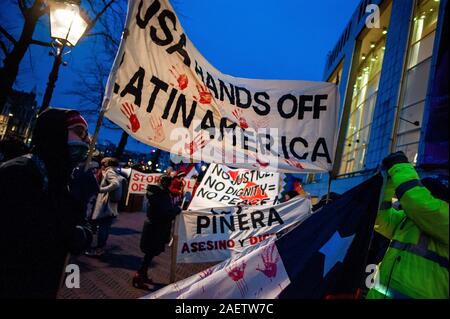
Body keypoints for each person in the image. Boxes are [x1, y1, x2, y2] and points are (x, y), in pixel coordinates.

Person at [0, 108, 93, 298]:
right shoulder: (19, 172)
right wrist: (69, 232)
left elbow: (82, 226)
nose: (87, 140)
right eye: (80, 131)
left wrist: (81, 233)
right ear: (55, 131)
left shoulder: (65, 178)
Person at [366, 151, 449, 299]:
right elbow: (378, 217)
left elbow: (417, 203)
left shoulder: (443, 220)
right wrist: (389, 183)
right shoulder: (409, 220)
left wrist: (400, 167)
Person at [132, 175, 181, 289]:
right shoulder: (161, 194)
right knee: (150, 253)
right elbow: (165, 213)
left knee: (150, 254)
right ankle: (138, 276)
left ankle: (142, 275)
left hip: (155, 227)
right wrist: (176, 210)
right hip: (157, 228)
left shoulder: (158, 193)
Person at [86, 157, 123, 257]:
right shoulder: (115, 171)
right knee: (105, 227)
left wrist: (101, 189)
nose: (102, 165)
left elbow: (115, 184)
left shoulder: (109, 172)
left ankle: (98, 249)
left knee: (102, 227)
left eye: (103, 163)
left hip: (106, 206)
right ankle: (100, 249)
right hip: (111, 205)